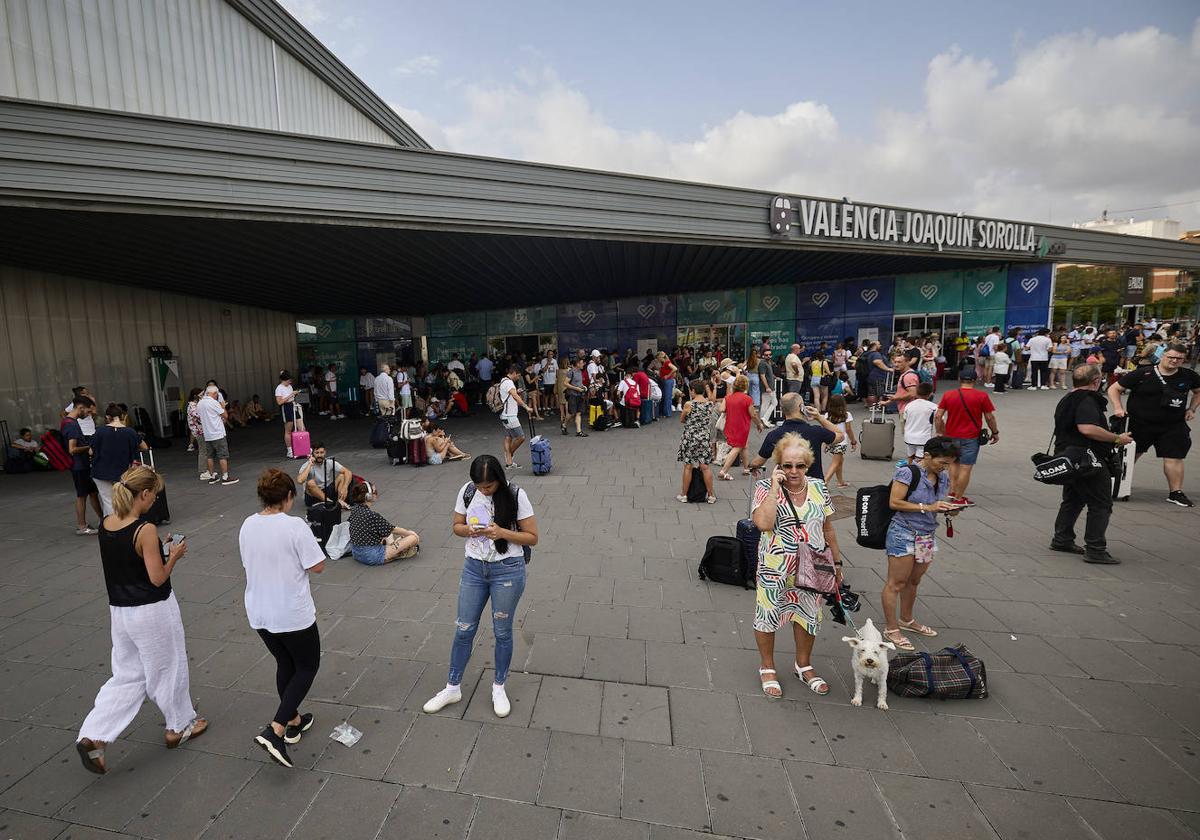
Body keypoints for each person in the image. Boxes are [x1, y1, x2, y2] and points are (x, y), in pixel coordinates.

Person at [74, 465, 206, 775]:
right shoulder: (144, 529)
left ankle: (94, 735)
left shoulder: (107, 523)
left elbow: (127, 561)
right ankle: (179, 725)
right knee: (168, 668)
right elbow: (157, 577)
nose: (155, 501)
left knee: (127, 674)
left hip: (120, 612)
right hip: (152, 610)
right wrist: (173, 555)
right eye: (154, 496)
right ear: (144, 494)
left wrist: (158, 550)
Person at [424, 456, 538, 718]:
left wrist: (502, 533)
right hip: (474, 568)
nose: (483, 491)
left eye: (488, 487)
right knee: (464, 629)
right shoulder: (467, 491)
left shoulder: (516, 495)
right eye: (480, 486)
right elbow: (456, 526)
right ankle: (452, 687)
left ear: (498, 479)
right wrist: (469, 531)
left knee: (502, 632)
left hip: (508, 569)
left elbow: (532, 537)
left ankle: (499, 686)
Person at [240, 469, 326, 768]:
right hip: (291, 612)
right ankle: (276, 729)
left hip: (259, 611)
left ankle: (294, 720)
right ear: (288, 497)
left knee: (285, 663)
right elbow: (317, 566)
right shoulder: (294, 527)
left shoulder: (248, 524)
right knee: (307, 666)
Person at [750, 434, 842, 698]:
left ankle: (803, 664)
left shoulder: (818, 487)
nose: (793, 471)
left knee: (808, 614)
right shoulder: (765, 488)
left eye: (799, 466)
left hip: (812, 565)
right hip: (775, 566)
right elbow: (764, 524)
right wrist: (775, 489)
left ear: (807, 465)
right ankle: (767, 667)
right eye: (787, 465)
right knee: (767, 613)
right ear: (778, 465)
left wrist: (836, 562)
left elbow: (828, 528)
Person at [880, 436, 961, 651]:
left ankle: (907, 619)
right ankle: (891, 628)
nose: (945, 467)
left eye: (948, 463)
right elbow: (894, 502)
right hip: (903, 532)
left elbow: (938, 502)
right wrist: (928, 507)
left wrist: (950, 508)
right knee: (896, 583)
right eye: (942, 462)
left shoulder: (942, 477)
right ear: (927, 455)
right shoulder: (908, 472)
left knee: (913, 581)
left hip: (926, 535)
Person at [1051, 365, 1133, 563]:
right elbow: (1087, 428)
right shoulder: (1086, 400)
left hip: (1068, 456)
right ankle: (1095, 548)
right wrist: (1116, 438)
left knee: (1074, 499)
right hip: (1087, 460)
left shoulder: (1067, 399)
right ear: (1096, 381)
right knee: (1101, 503)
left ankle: (1062, 538)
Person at [1107, 343, 1200, 507]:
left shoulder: (1189, 375)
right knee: (1128, 457)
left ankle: (1175, 492)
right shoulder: (1143, 373)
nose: (1174, 361)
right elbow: (1114, 388)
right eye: (1170, 357)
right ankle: (1112, 487)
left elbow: (1198, 391)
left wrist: (1192, 408)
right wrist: (1118, 408)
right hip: (1140, 424)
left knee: (1174, 458)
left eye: (1179, 358)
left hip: (1173, 425)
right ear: (1162, 356)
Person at [934, 369, 997, 506]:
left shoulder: (948, 395)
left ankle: (952, 491)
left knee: (953, 463)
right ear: (974, 380)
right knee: (965, 467)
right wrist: (995, 432)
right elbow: (989, 417)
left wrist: (940, 432)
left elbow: (938, 416)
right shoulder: (982, 396)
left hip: (951, 436)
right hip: (971, 437)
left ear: (959, 379)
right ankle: (959, 498)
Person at [748, 393, 843, 481]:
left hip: (787, 485)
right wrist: (819, 417)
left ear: (782, 410)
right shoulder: (815, 431)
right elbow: (840, 436)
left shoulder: (774, 435)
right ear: (801, 407)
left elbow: (757, 462)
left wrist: (751, 466)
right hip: (813, 485)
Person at [90, 403, 148, 516]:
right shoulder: (130, 432)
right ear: (122, 416)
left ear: (107, 417)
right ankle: (124, 523)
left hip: (100, 471)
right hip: (123, 471)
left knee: (107, 501)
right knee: (123, 499)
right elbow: (144, 447)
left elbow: (91, 451)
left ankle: (110, 525)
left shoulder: (100, 431)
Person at [347, 481, 420, 565]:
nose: (377, 494)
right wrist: (409, 533)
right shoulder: (372, 515)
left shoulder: (354, 510)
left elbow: (386, 529)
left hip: (356, 553)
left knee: (387, 534)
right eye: (375, 492)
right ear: (369, 496)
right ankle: (397, 552)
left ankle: (394, 547)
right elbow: (393, 529)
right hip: (372, 556)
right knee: (413, 538)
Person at [63, 396, 102, 535]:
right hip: (79, 465)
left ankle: (103, 519)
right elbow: (72, 449)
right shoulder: (72, 425)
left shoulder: (69, 421)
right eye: (88, 411)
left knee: (92, 493)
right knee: (82, 495)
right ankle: (82, 526)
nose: (89, 414)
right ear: (80, 408)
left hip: (82, 464)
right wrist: (88, 447)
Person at [676, 380, 717, 504]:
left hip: (690, 437)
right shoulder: (709, 404)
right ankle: (711, 495)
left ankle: (684, 495)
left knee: (688, 466)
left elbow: (682, 419)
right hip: (704, 437)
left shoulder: (689, 404)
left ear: (693, 390)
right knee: (705, 466)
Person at [716, 375, 760, 481]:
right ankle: (724, 471)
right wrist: (759, 424)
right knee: (737, 447)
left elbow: (721, 409)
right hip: (742, 426)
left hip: (730, 425)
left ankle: (746, 468)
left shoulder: (728, 397)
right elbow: (753, 414)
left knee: (744, 445)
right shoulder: (748, 399)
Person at [198, 385, 239, 485]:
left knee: (210, 456)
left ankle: (213, 476)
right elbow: (225, 415)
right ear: (215, 393)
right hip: (217, 433)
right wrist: (223, 406)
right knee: (222, 456)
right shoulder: (214, 403)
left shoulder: (200, 403)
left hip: (207, 434)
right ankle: (225, 477)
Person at [297, 444, 351, 508]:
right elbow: (300, 481)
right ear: (312, 454)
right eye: (317, 453)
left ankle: (340, 501)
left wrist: (345, 487)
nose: (319, 455)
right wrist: (309, 465)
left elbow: (348, 472)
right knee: (310, 482)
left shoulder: (329, 462)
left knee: (342, 476)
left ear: (325, 452)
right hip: (313, 495)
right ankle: (330, 503)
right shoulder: (306, 465)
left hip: (326, 490)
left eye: (321, 452)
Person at [499, 364, 530, 469]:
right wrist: (526, 406)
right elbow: (515, 396)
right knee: (521, 437)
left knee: (508, 437)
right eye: (518, 375)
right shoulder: (509, 382)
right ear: (514, 373)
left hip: (504, 415)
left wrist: (516, 391)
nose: (518, 377)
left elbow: (510, 394)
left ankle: (509, 463)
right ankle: (509, 456)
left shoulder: (503, 381)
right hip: (511, 416)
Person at [823, 395, 856, 487]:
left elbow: (826, 429)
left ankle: (840, 481)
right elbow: (848, 430)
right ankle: (824, 483)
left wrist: (826, 443)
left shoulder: (827, 415)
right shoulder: (846, 415)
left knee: (840, 461)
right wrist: (853, 441)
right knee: (835, 462)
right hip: (841, 442)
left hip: (831, 440)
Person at [902, 382, 938, 461]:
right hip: (923, 438)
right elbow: (938, 420)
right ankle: (919, 472)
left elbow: (904, 420)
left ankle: (910, 471)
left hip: (909, 436)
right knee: (920, 460)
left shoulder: (909, 405)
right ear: (930, 394)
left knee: (910, 457)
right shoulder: (933, 407)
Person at [561, 356, 589, 437]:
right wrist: (576, 388)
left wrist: (583, 386)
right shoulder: (571, 372)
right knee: (571, 413)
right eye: (581, 363)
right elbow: (565, 383)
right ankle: (564, 424)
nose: (583, 364)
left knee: (578, 413)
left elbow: (579, 383)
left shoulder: (580, 372)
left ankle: (579, 431)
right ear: (577, 364)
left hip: (580, 395)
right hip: (572, 395)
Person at [275, 371, 298, 459]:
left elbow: (291, 397)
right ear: (284, 380)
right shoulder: (279, 388)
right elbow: (279, 402)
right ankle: (289, 450)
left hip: (292, 405)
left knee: (296, 426)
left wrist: (294, 394)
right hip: (286, 407)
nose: (290, 381)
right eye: (289, 380)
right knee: (288, 430)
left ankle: (299, 447)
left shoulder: (290, 386)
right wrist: (291, 395)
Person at [756, 349, 777, 427]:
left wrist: (774, 377)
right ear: (763, 355)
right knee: (774, 403)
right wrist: (767, 387)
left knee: (766, 404)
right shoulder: (762, 363)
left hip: (769, 386)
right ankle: (764, 419)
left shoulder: (768, 363)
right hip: (767, 387)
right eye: (766, 355)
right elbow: (762, 376)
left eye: (769, 354)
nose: (768, 356)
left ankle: (763, 421)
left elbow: (769, 374)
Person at [658, 351, 678, 419]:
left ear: (660, 357)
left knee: (667, 396)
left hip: (668, 381)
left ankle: (667, 413)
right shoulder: (665, 363)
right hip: (666, 380)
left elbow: (675, 368)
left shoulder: (667, 362)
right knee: (665, 396)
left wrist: (668, 375)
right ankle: (665, 412)